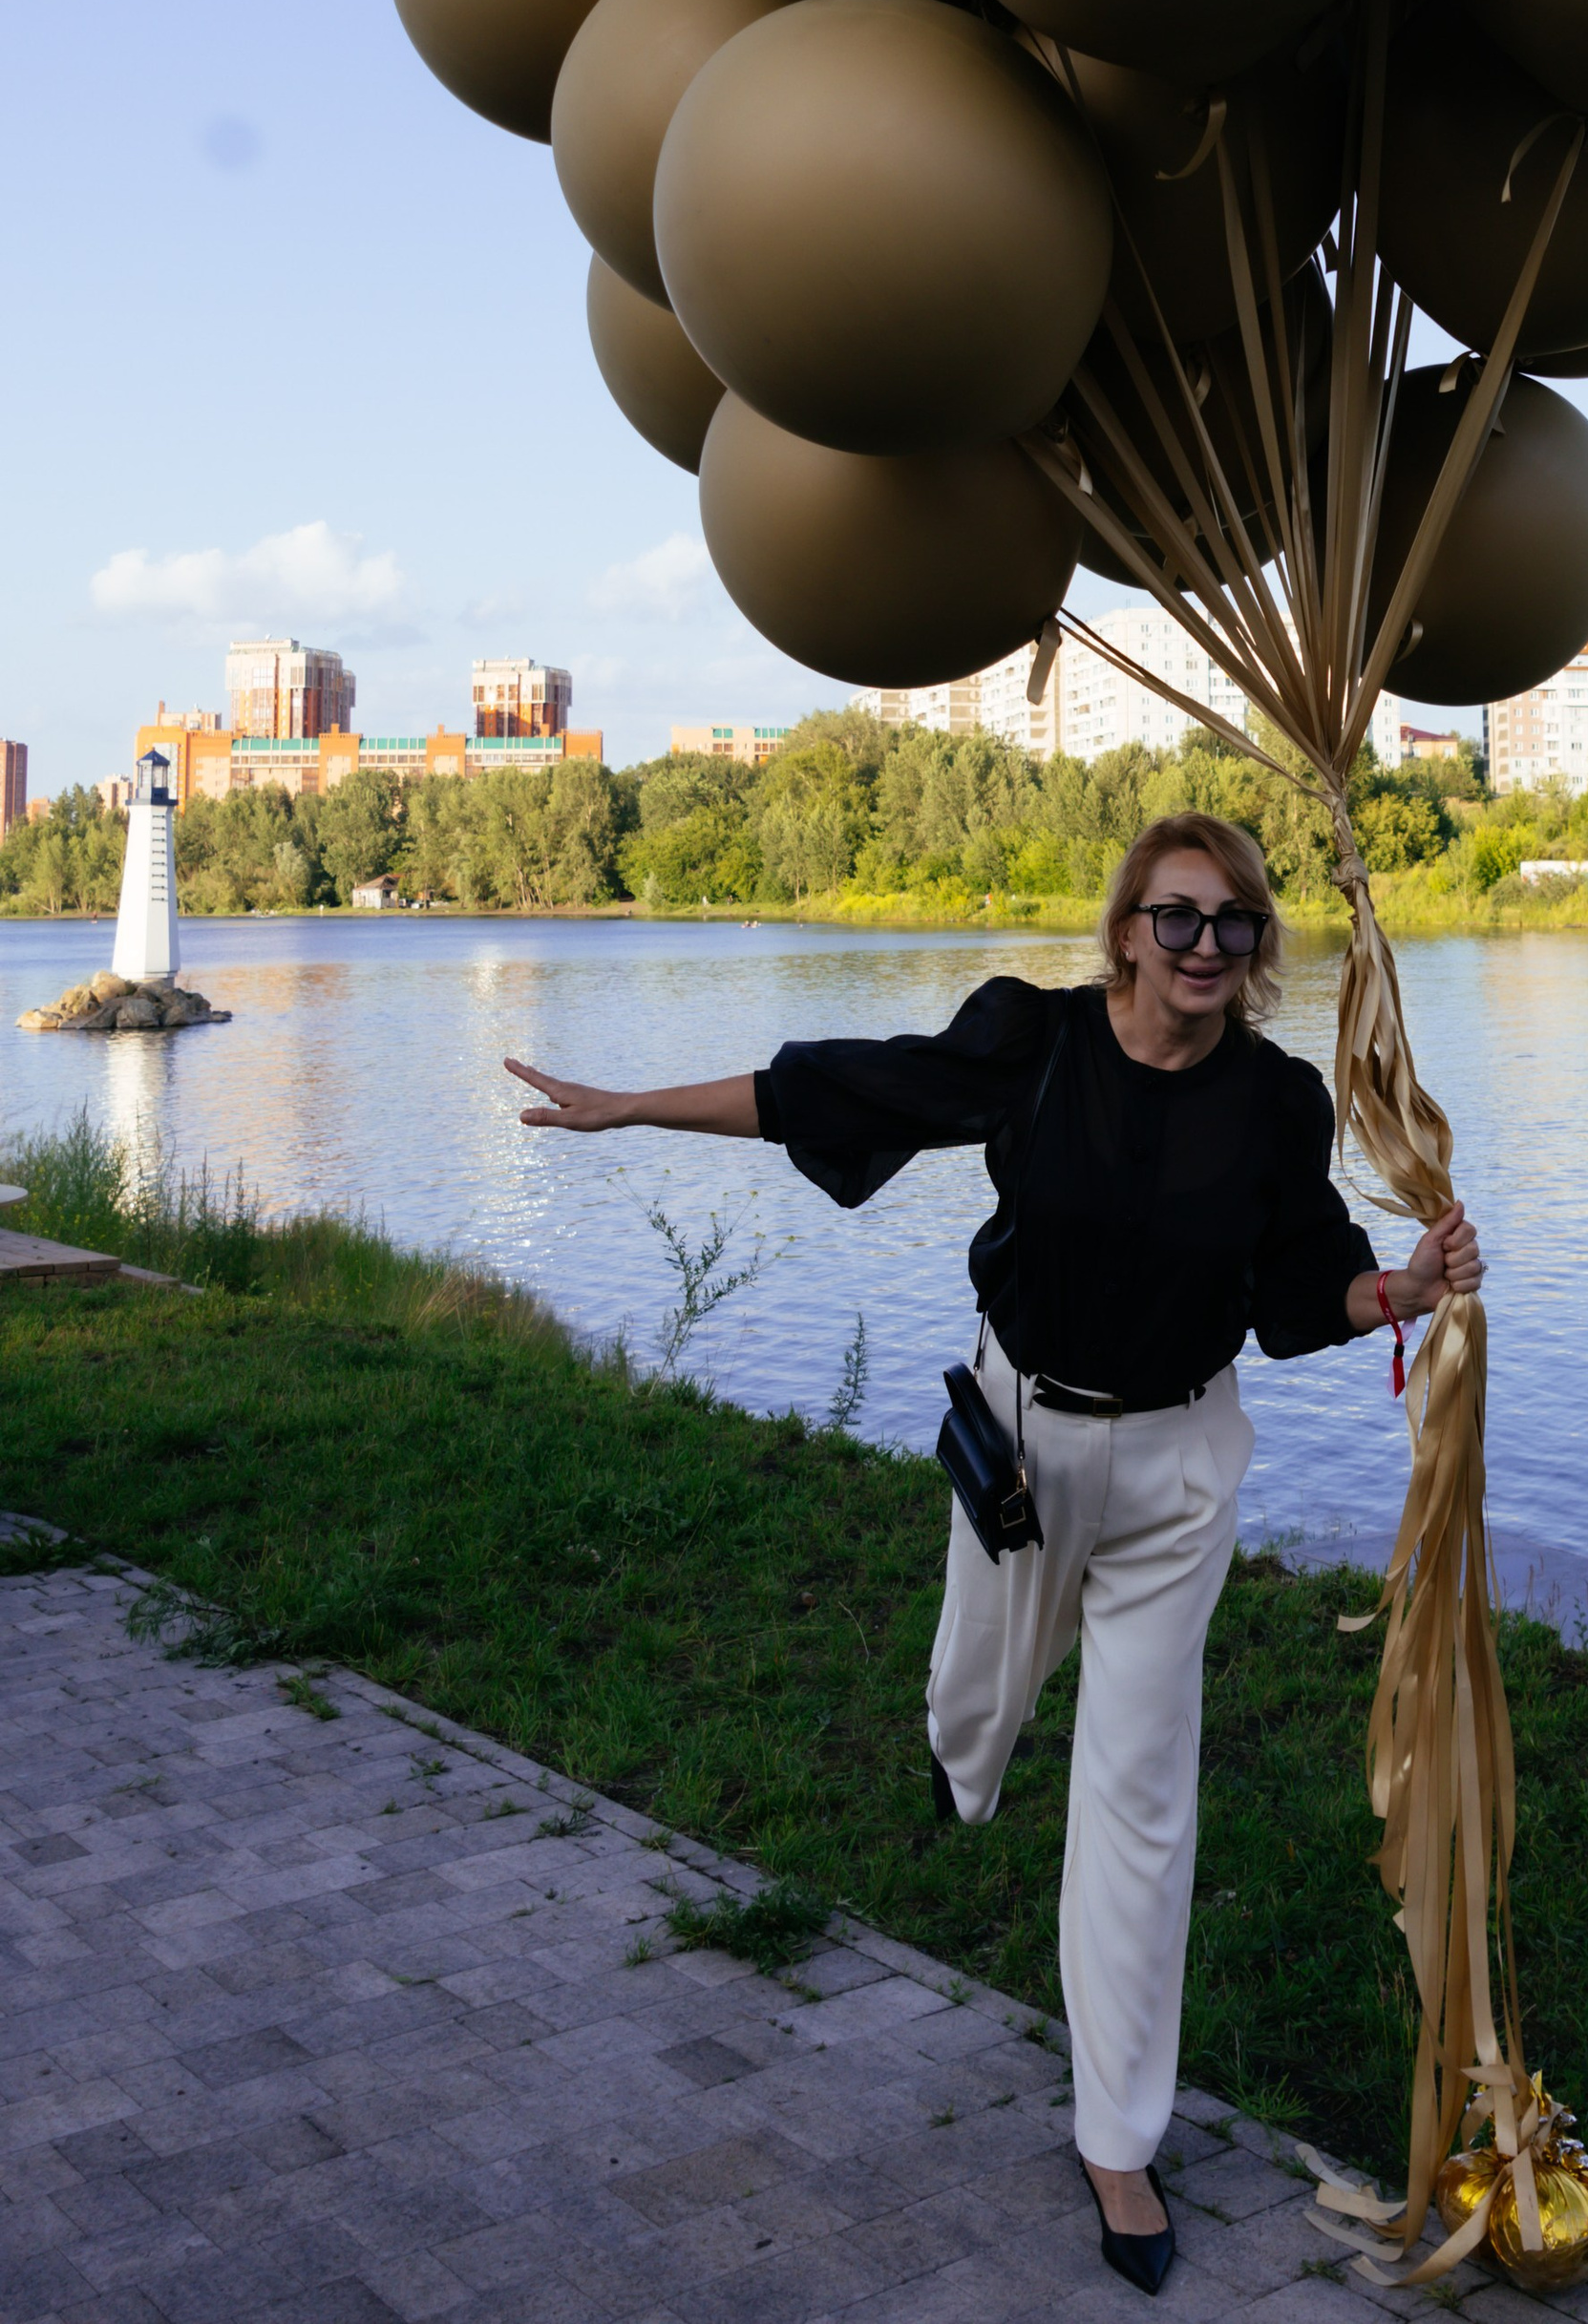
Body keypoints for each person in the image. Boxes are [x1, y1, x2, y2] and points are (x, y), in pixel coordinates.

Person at [507, 808, 1482, 2302]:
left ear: (1258, 945)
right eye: (1177, 917)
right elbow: (843, 1086)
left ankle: (1117, 2139)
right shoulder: (1034, 1042)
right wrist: (631, 1106)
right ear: (1126, 932)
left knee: (1143, 1795)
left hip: (1175, 1467)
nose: (1206, 947)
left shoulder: (1277, 1104)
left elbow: (1301, 1284)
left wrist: (1398, 1286)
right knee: (977, 1701)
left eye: (1233, 923)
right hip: (1024, 1442)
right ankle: (963, 1751)